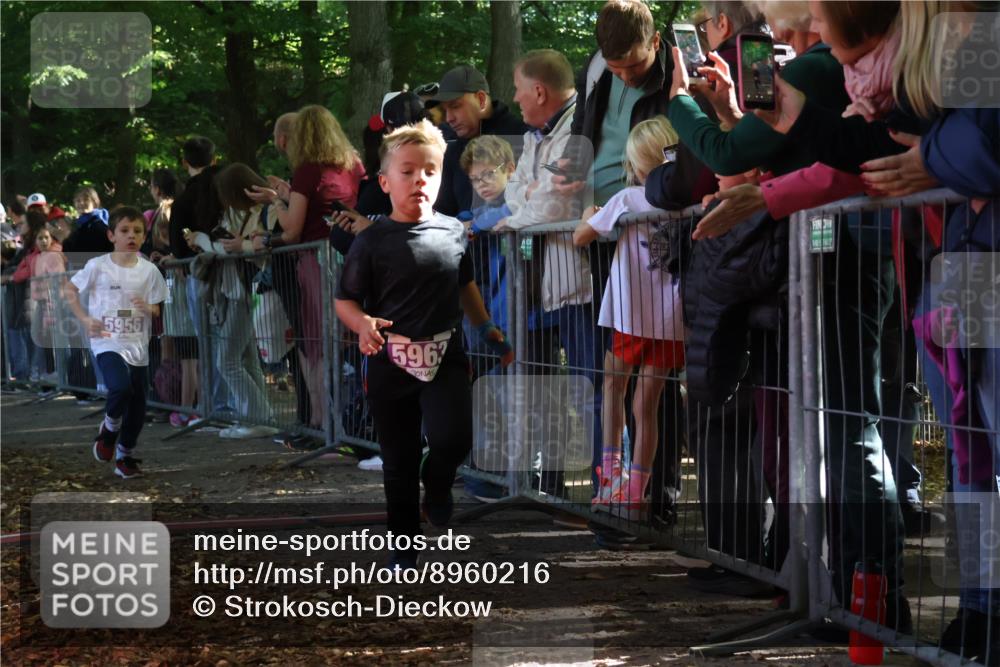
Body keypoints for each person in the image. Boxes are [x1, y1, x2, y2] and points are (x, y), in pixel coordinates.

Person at [335, 120, 513, 570]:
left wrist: (486, 326)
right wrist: (362, 324)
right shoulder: (370, 241)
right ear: (384, 182)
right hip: (389, 360)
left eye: (430, 171)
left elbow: (465, 283)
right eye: (408, 171)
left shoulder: (453, 230)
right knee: (398, 459)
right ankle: (403, 546)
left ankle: (437, 482)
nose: (419, 180)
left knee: (454, 438)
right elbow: (345, 299)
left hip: (445, 355)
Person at [498, 48, 600, 499]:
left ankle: (605, 490)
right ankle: (552, 486)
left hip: (580, 283)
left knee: (591, 390)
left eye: (519, 91)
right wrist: (530, 196)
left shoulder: (577, 128)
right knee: (548, 386)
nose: (515, 100)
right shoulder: (535, 137)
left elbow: (555, 206)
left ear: (539, 91)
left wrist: (524, 209)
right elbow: (514, 191)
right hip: (544, 283)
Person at [573, 117, 685, 520]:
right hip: (672, 319)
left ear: (637, 163)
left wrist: (588, 213)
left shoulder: (628, 199)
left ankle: (609, 477)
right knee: (646, 405)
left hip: (631, 314)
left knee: (612, 387)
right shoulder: (686, 201)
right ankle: (637, 491)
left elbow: (580, 236)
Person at [248, 104, 365, 438]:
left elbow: (291, 230)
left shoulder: (308, 170)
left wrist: (276, 202)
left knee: (315, 342)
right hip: (351, 257)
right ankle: (340, 424)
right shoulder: (353, 165)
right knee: (344, 340)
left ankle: (322, 424)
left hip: (315, 262)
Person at [65, 206, 169, 479]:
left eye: (137, 231)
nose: (131, 236)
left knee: (138, 406)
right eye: (124, 231)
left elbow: (157, 309)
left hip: (137, 345)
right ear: (111, 235)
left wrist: (147, 306)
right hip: (106, 341)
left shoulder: (150, 271)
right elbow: (69, 289)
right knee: (120, 387)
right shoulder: (97, 266)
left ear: (144, 237)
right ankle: (109, 429)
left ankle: (125, 455)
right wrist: (85, 319)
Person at [185, 163, 278, 440]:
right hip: (238, 291)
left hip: (246, 293)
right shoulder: (240, 214)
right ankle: (258, 417)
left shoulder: (265, 212)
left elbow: (247, 250)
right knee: (246, 359)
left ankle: (259, 418)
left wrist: (204, 241)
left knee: (227, 361)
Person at [426, 64, 529, 218]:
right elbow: (443, 212)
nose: (449, 118)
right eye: (445, 110)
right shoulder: (452, 151)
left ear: (481, 99)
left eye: (455, 106)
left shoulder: (525, 138)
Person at [143, 168, 200, 428]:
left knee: (189, 358)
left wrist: (172, 259)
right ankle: (173, 403)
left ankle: (188, 408)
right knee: (177, 353)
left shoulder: (171, 214)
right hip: (173, 304)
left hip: (183, 304)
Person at [63, 187, 111, 257]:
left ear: (94, 202)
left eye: (86, 199)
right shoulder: (78, 224)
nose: (81, 203)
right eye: (78, 200)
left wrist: (63, 237)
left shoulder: (99, 222)